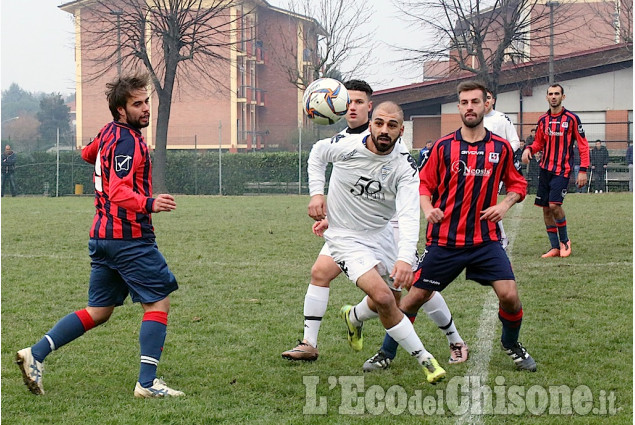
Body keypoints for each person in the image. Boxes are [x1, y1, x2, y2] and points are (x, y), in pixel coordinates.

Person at [16, 73, 184, 398]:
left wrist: (103, 157)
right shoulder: (128, 141)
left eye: (147, 101)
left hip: (102, 237)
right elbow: (118, 190)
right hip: (129, 240)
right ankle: (147, 384)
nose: (146, 108)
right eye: (138, 104)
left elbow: (86, 153)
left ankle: (34, 354)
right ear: (121, 110)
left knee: (99, 311)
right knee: (157, 301)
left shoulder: (109, 133)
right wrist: (150, 202)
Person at [283, 82, 467, 367]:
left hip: (388, 226)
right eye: (349, 102)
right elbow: (346, 184)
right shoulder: (340, 142)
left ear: (369, 108)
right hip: (349, 232)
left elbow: (390, 194)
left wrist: (405, 253)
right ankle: (310, 343)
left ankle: (452, 338)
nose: (352, 107)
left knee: (414, 288)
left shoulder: (392, 143)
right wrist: (324, 204)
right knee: (321, 272)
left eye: (359, 102)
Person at [365, 81, 536, 373]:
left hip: (485, 241)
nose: (469, 107)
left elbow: (518, 184)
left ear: (486, 105)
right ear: (459, 107)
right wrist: (429, 208)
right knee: (413, 299)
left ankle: (511, 344)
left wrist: (504, 205)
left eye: (475, 102)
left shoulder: (500, 147)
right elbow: (423, 185)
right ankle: (385, 353)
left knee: (509, 296)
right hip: (445, 242)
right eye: (464, 102)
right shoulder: (444, 147)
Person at [306, 101, 447, 384]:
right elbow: (318, 154)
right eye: (379, 123)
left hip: (381, 234)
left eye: (392, 125)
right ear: (371, 124)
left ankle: (354, 317)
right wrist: (316, 194)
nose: (384, 130)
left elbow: (408, 215)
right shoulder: (346, 146)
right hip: (345, 237)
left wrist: (405, 257)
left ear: (401, 130)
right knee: (383, 297)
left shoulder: (404, 167)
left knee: (392, 298)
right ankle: (425, 359)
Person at [522, 83, 590, 258]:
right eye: (550, 94)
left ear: (563, 97)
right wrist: (529, 149)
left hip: (562, 169)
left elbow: (583, 145)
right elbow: (539, 142)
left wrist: (583, 169)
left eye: (557, 94)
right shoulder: (543, 120)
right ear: (546, 97)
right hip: (545, 169)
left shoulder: (572, 119)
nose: (553, 96)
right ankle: (554, 247)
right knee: (545, 208)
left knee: (554, 205)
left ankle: (565, 241)